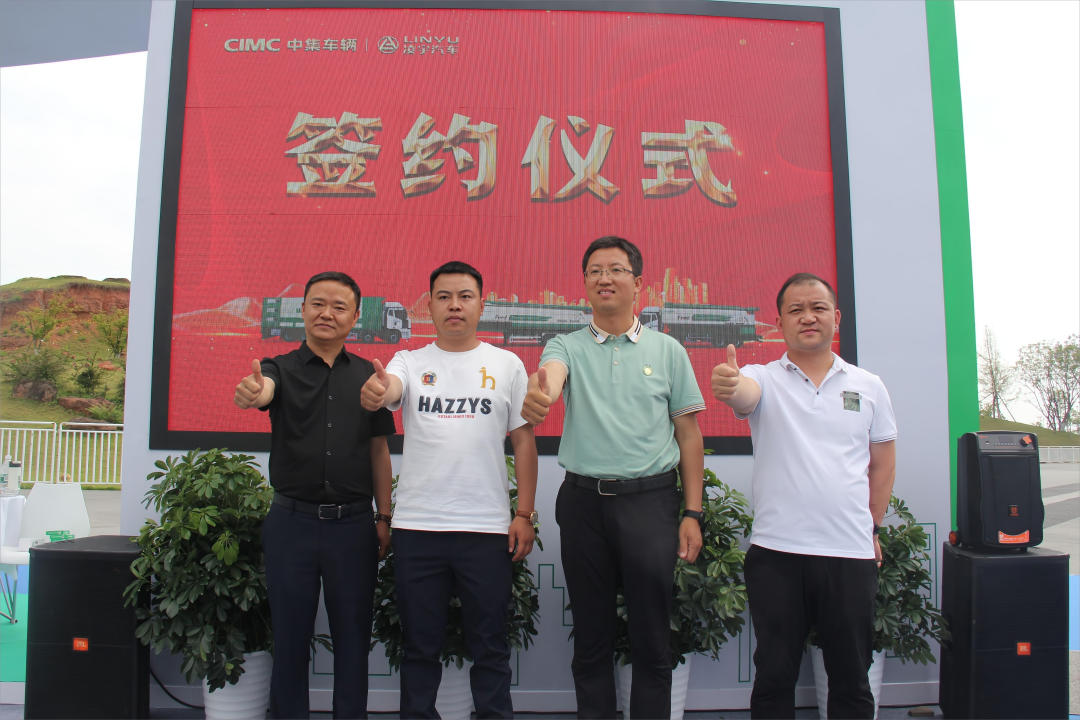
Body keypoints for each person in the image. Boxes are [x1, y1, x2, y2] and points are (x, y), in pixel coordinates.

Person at [520, 236, 706, 720]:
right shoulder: (565, 345)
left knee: (651, 637)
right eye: (595, 271)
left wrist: (692, 512)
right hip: (584, 505)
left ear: (638, 283)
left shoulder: (668, 350)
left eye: (616, 270)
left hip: (650, 504)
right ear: (585, 283)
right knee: (591, 637)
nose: (605, 278)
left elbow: (689, 436)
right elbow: (551, 376)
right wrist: (542, 394)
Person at [710, 272, 897, 720]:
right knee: (774, 678)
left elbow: (883, 464)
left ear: (836, 317)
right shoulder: (761, 377)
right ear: (779, 323)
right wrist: (730, 385)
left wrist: (871, 528)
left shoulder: (869, 385)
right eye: (795, 310)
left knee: (852, 680)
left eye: (817, 308)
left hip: (849, 556)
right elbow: (744, 394)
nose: (808, 317)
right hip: (777, 554)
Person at [360, 261, 538, 720]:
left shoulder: (507, 364)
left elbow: (523, 441)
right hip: (419, 530)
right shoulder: (409, 361)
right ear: (430, 305)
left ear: (482, 304)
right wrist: (379, 391)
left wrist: (524, 514)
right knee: (419, 648)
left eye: (464, 296)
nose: (454, 305)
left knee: (490, 646)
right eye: (443, 297)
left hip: (486, 530)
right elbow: (390, 389)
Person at [233, 271, 395, 720]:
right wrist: (255, 391)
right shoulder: (278, 368)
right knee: (289, 640)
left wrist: (383, 518)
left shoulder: (369, 377)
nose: (327, 313)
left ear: (355, 317)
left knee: (353, 640)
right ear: (302, 309)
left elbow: (379, 451)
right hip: (292, 526)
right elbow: (263, 389)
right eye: (318, 304)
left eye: (339, 307)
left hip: (354, 527)